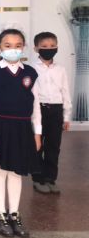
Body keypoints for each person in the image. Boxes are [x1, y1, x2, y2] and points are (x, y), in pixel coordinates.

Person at [0, 29, 41, 238]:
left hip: (23, 128)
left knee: (17, 171)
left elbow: (36, 105)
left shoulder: (30, 73)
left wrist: (37, 132)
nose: (13, 49)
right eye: (7, 45)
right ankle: (1, 214)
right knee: (0, 170)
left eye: (18, 45)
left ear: (24, 47)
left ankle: (14, 214)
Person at [31, 31, 72, 194]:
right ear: (36, 48)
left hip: (56, 111)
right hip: (38, 110)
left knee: (54, 147)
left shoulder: (60, 69)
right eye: (44, 46)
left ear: (57, 47)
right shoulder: (31, 68)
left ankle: (50, 178)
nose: (49, 49)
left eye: (52, 46)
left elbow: (65, 91)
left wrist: (66, 116)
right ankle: (38, 179)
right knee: (37, 146)